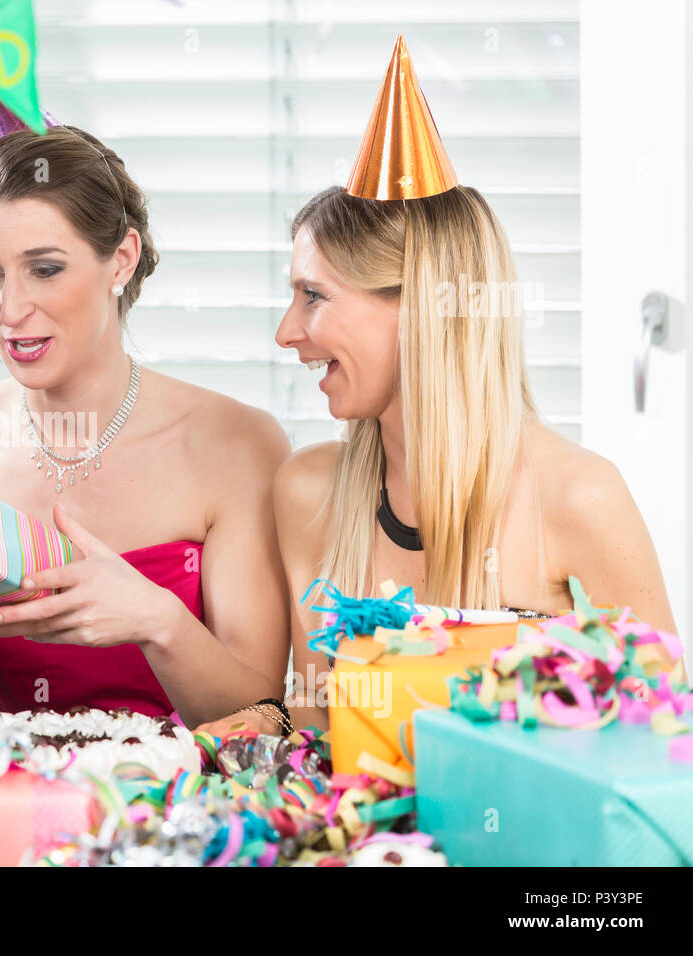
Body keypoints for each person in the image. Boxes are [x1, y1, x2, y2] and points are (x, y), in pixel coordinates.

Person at [200, 39, 675, 737]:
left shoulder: (580, 499)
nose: (286, 332)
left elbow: (670, 747)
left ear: (420, 306)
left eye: (313, 297)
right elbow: (319, 743)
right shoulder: (308, 492)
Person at [0, 125, 293, 745]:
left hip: (188, 824)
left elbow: (265, 726)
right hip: (10, 817)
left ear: (122, 260)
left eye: (45, 269)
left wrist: (159, 622)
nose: (10, 307)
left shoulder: (238, 445)